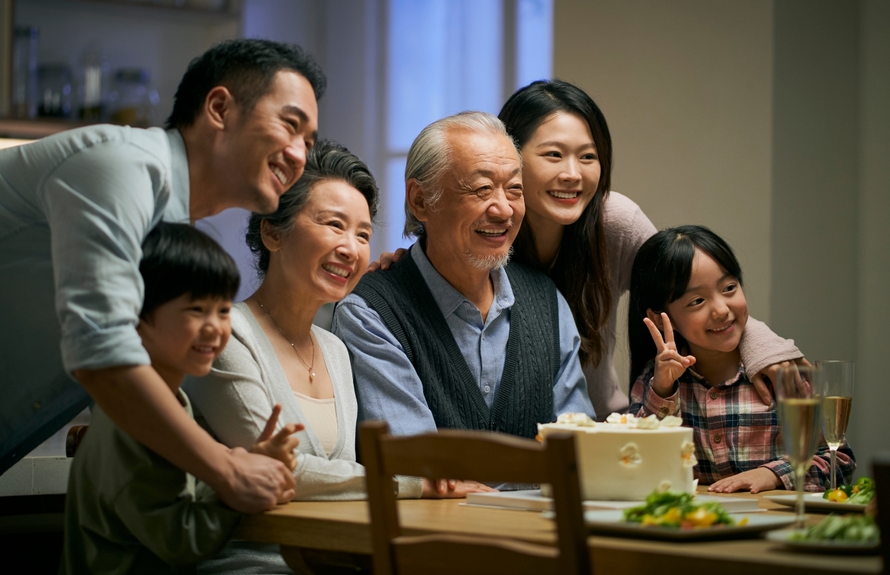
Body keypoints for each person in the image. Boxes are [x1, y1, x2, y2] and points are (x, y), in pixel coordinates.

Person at [0, 39, 322, 571]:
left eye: (309, 140)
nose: (300, 155)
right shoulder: (121, 166)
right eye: (290, 125)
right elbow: (102, 352)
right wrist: (227, 470)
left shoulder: (169, 225)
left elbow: (135, 359)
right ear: (220, 109)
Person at [187, 140, 493, 574]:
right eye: (334, 225)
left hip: (332, 561)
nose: (351, 248)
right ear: (272, 232)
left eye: (363, 234)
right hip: (248, 564)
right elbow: (280, 471)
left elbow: (343, 476)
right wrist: (415, 484)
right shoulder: (225, 336)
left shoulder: (334, 348)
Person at [496, 80, 805, 415]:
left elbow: (692, 286)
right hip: (510, 438)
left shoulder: (614, 220)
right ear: (509, 156)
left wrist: (763, 347)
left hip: (598, 429)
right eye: (554, 155)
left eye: (588, 156)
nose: (573, 174)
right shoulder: (487, 227)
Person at [332, 112, 593, 440]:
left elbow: (579, 446)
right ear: (420, 200)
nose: (504, 209)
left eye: (514, 189)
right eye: (482, 189)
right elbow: (420, 466)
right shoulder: (372, 314)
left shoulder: (546, 301)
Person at [61, 222, 302, 573]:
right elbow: (182, 540)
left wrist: (250, 462)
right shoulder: (137, 418)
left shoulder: (169, 399)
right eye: (195, 310)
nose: (215, 327)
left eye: (222, 310)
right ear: (138, 318)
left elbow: (182, 498)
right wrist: (240, 495)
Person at [626, 225, 855, 492]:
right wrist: (663, 391)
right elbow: (636, 462)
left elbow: (839, 460)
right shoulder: (654, 381)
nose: (722, 310)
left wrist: (771, 475)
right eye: (697, 301)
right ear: (659, 317)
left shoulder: (779, 372)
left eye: (729, 287)